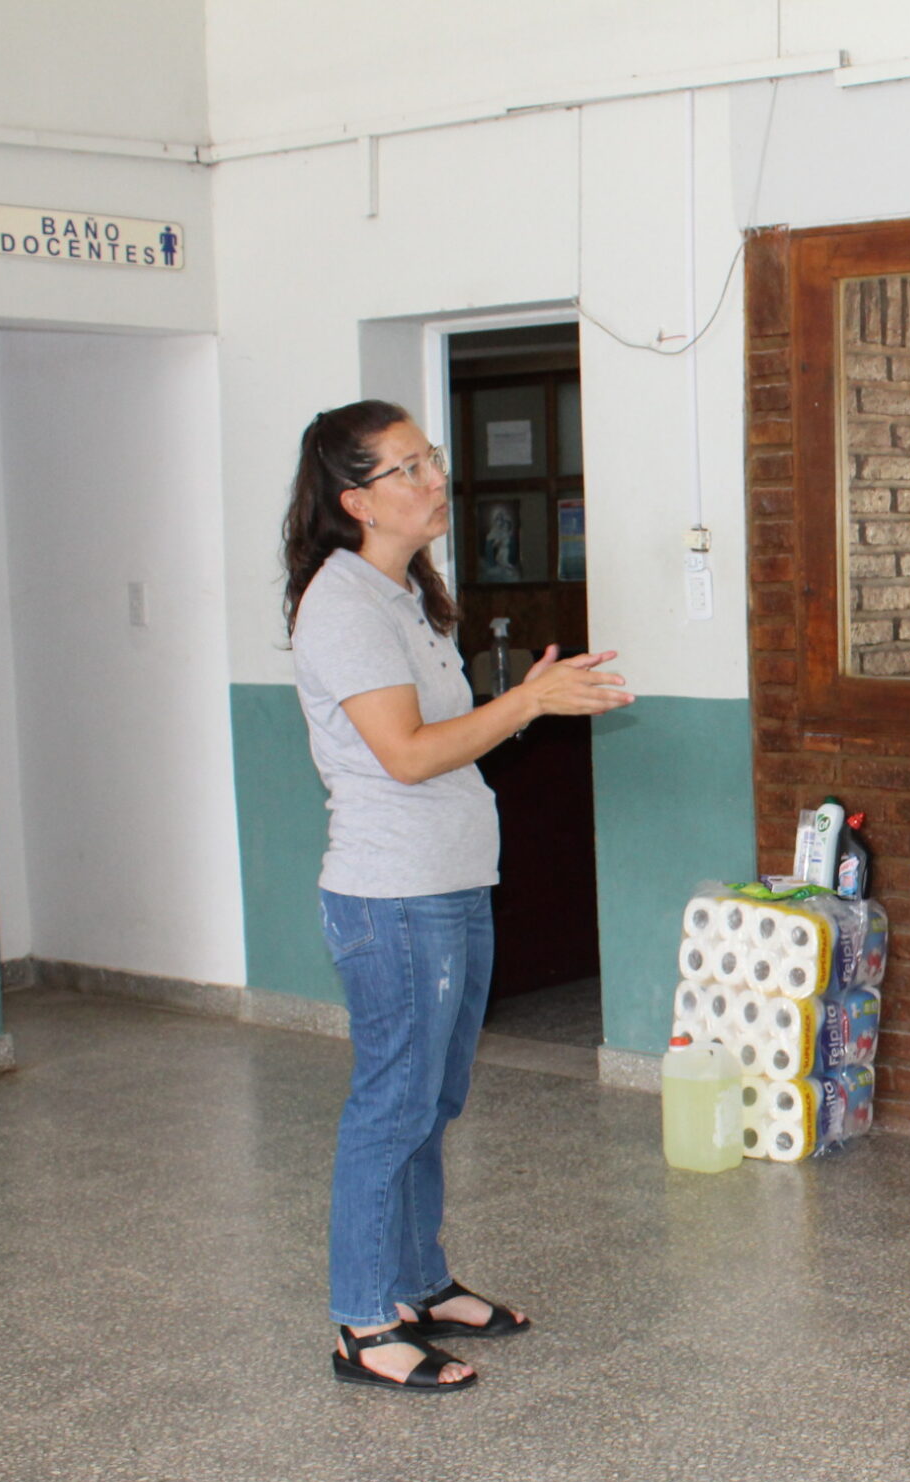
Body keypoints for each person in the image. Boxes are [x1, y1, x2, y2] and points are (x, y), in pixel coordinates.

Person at [283, 400, 632, 1392]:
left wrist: (522, 701)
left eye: (431, 459)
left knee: (432, 1099)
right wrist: (526, 702)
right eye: (407, 469)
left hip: (450, 882)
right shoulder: (342, 603)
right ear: (354, 499)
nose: (434, 479)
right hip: (392, 896)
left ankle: (419, 1284)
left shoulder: (406, 592)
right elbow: (402, 757)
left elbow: (439, 741)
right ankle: (361, 1320)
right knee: (390, 1105)